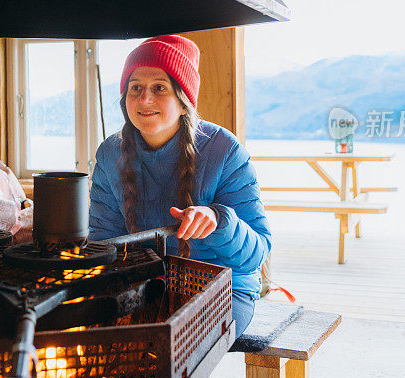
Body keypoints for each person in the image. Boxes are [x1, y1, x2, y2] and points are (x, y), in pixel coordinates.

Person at [88, 34, 272, 337]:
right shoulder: (110, 154)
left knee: (170, 352)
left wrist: (218, 222)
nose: (144, 100)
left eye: (159, 87)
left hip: (223, 289)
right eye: (136, 88)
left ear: (184, 102)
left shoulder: (224, 149)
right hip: (146, 286)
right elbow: (102, 240)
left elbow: (258, 252)